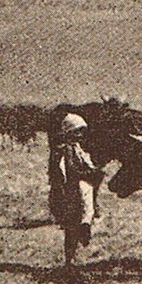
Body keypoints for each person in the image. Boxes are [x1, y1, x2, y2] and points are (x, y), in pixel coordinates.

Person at [48, 113, 104, 269]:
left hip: (75, 190)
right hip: (69, 192)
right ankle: (70, 261)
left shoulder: (75, 148)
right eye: (78, 131)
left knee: (77, 222)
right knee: (72, 226)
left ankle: (72, 259)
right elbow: (66, 172)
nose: (81, 135)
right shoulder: (63, 151)